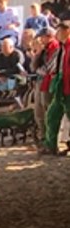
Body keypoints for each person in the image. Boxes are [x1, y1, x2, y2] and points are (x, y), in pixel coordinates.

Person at [42, 21, 70, 155]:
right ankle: (50, 145)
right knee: (52, 115)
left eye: (59, 31)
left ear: (67, 31)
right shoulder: (62, 48)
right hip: (62, 86)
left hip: (68, 87)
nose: (57, 34)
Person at [33, 28, 60, 146]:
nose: (41, 39)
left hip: (49, 82)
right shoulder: (45, 49)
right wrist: (37, 53)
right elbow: (34, 67)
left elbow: (49, 68)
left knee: (47, 110)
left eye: (43, 37)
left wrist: (39, 70)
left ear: (49, 36)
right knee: (39, 110)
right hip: (41, 82)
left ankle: (50, 139)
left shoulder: (55, 47)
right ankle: (43, 136)